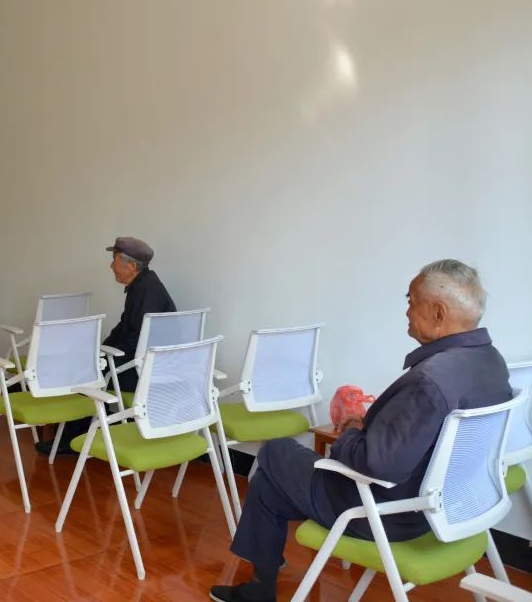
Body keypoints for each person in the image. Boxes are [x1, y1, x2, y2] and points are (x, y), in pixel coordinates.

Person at [210, 259, 511, 602]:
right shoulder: (491, 363)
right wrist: (376, 425)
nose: (407, 312)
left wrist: (351, 431)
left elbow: (379, 465)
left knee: (276, 451)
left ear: (439, 312)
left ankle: (260, 585)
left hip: (384, 513)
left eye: (411, 301)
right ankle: (260, 586)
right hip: (444, 506)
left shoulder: (431, 380)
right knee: (268, 485)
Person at [36, 236, 176, 457]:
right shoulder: (144, 285)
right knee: (87, 364)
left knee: (85, 373)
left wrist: (101, 356)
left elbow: (138, 341)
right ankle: (82, 432)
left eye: (115, 260)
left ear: (131, 266)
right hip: (144, 365)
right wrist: (100, 349)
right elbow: (124, 328)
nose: (111, 266)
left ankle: (72, 440)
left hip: (145, 371)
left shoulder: (146, 291)